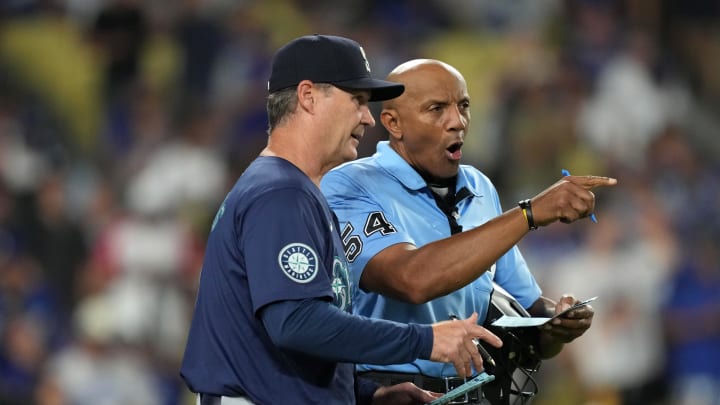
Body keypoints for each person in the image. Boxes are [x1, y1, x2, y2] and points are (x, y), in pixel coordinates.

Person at [180, 36, 503, 405]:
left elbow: (285, 346)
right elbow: (296, 323)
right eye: (357, 100)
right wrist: (425, 340)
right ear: (308, 96)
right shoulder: (281, 193)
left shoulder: (290, 189)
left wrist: (366, 394)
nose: (368, 116)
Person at [321, 59, 618, 404]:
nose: (457, 122)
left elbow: (530, 317)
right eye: (437, 109)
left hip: (474, 391)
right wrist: (529, 214)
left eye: (463, 106)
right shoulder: (350, 184)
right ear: (393, 122)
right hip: (386, 392)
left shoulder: (480, 188)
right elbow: (411, 280)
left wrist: (557, 325)